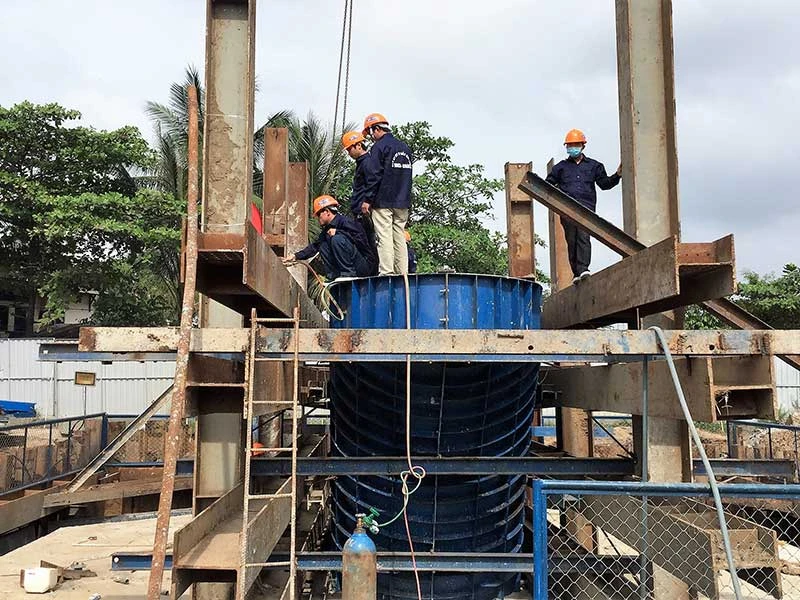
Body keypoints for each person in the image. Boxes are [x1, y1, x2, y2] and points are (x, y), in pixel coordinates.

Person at [546, 129, 621, 284]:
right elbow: (548, 185)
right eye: (570, 145)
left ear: (583, 146)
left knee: (583, 237)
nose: (572, 148)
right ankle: (576, 273)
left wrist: (617, 175)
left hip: (586, 208)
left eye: (575, 145)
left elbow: (604, 184)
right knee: (572, 240)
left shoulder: (594, 166)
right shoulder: (560, 168)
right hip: (567, 209)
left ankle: (583, 269)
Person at [361, 112, 413, 275]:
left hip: (383, 202)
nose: (371, 137)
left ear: (376, 129)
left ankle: (387, 272)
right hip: (402, 202)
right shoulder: (404, 148)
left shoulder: (379, 147)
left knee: (383, 236)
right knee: (399, 237)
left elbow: (374, 175)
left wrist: (368, 199)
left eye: (370, 133)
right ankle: (402, 273)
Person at [282, 195, 377, 281]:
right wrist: (295, 256)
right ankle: (333, 276)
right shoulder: (327, 230)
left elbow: (362, 242)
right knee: (322, 245)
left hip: (364, 265)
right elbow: (314, 247)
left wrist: (339, 232)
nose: (318, 218)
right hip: (353, 265)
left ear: (327, 212)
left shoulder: (346, 222)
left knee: (337, 239)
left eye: (319, 215)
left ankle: (348, 273)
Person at [341, 130, 376, 248]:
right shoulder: (361, 163)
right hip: (359, 211)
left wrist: (367, 202)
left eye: (350, 149)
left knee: (369, 245)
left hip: (364, 211)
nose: (349, 153)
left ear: (359, 145)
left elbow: (372, 183)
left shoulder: (367, 162)